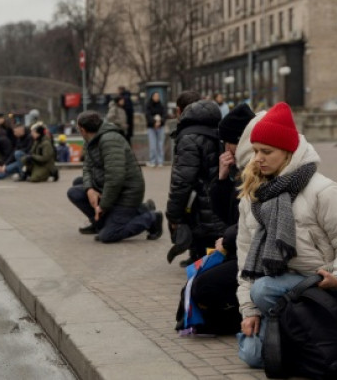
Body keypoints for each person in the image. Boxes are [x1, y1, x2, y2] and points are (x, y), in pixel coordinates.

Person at [235, 102, 337, 369]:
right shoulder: (253, 197)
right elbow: (244, 262)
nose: (258, 158)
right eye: (255, 151)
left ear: (288, 152)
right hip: (277, 292)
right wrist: (248, 311)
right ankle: (292, 336)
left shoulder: (323, 191)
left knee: (263, 289)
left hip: (321, 284)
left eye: (266, 151)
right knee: (253, 355)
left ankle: (304, 338)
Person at [178, 103, 257, 335]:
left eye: (228, 142)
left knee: (204, 287)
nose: (225, 148)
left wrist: (229, 238)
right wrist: (222, 179)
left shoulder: (255, 168)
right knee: (192, 287)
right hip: (238, 247)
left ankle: (236, 321)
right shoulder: (238, 168)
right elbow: (227, 215)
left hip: (249, 254)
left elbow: (250, 220)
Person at [66, 111, 163, 243]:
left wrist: (103, 206)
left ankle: (151, 218)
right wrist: (89, 189)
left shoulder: (109, 140)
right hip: (111, 187)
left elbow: (115, 178)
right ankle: (99, 222)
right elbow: (87, 167)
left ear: (82, 129)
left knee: (108, 236)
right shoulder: (91, 139)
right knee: (76, 188)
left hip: (127, 193)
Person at [166, 95, 226, 267]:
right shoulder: (218, 130)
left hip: (199, 203)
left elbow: (182, 180)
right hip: (216, 199)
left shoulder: (188, 137)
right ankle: (201, 258)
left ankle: (202, 262)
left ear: (180, 111)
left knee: (203, 238)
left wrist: (173, 215)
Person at [145, 91, 167, 167]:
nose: (157, 97)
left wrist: (160, 122)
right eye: (155, 96)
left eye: (158, 96)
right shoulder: (148, 105)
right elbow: (147, 115)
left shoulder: (161, 105)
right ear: (152, 97)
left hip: (160, 127)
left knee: (160, 145)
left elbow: (164, 114)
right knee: (152, 145)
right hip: (151, 127)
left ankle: (160, 161)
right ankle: (153, 161)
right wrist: (154, 122)